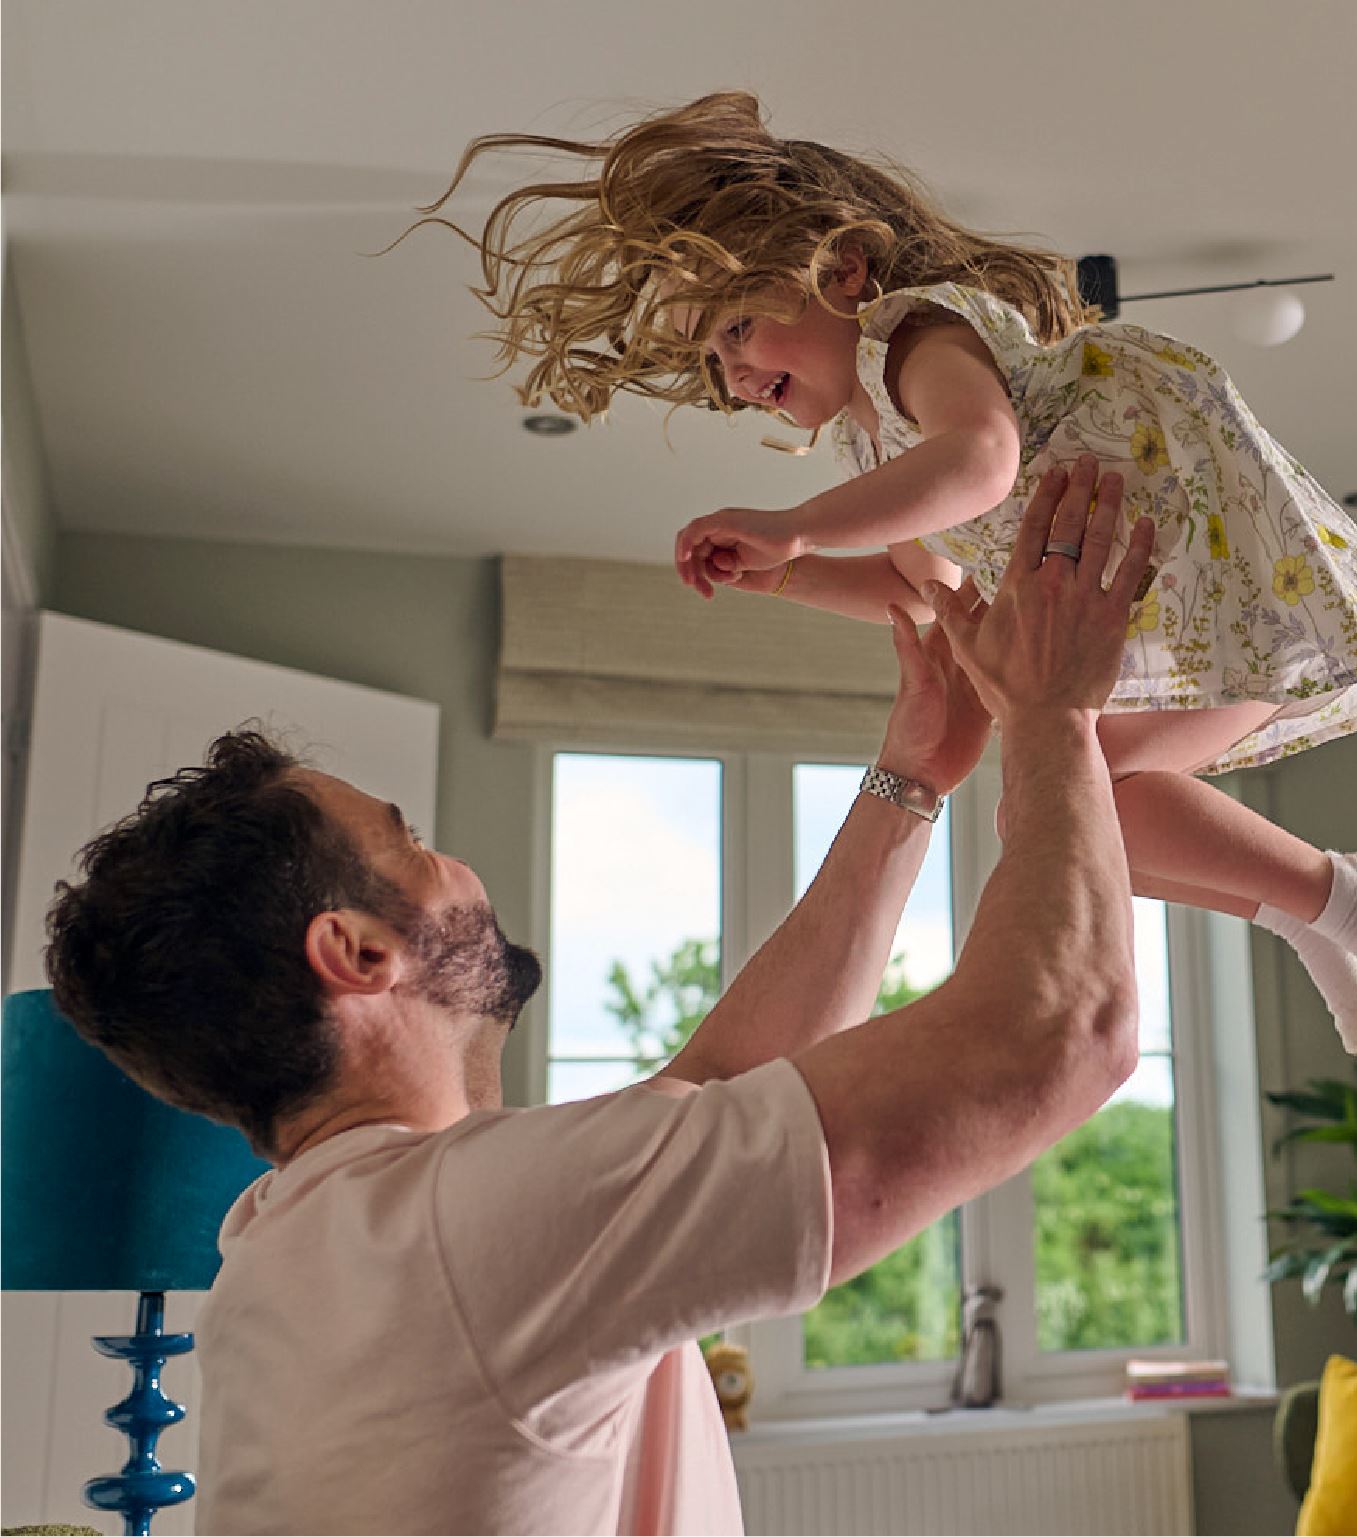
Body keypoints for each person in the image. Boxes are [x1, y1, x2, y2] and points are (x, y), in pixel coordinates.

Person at [43, 462, 1155, 1534]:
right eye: (410, 842)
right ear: (358, 954)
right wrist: (1052, 715)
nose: (459, 866)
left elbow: (714, 1089)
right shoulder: (465, 1232)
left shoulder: (284, 1250)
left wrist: (912, 775)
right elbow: (1059, 1033)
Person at [423, 90, 1357, 1063]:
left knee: (1073, 802)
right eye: (714, 360)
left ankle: (1344, 896)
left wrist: (795, 530)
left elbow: (984, 461)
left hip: (1209, 553)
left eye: (738, 327)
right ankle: (1304, 905)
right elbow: (925, 592)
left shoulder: (913, 333)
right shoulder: (871, 445)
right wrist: (784, 579)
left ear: (839, 271)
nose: (735, 376)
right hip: (1151, 587)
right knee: (1060, 818)